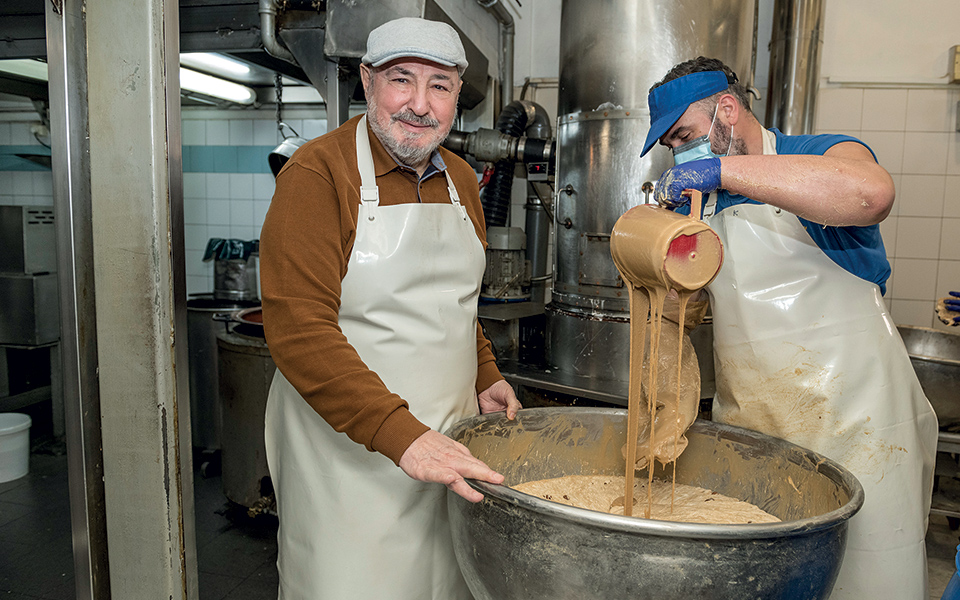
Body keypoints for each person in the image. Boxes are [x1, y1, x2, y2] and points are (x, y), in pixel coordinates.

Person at [639, 57, 938, 600]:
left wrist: (723, 173)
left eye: (684, 136)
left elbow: (871, 195)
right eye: (671, 146)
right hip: (759, 431)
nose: (680, 154)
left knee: (869, 580)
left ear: (726, 110)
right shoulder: (705, 209)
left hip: (861, 432)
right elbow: (692, 307)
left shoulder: (822, 155)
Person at [259, 17, 522, 600]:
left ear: (457, 95)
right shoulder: (318, 175)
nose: (420, 105)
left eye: (439, 86)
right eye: (402, 79)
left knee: (442, 585)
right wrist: (402, 437)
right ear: (367, 80)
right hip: (348, 457)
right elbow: (299, 331)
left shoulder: (462, 180)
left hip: (445, 446)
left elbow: (455, 304)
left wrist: (485, 374)